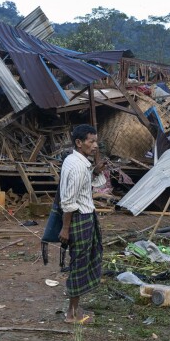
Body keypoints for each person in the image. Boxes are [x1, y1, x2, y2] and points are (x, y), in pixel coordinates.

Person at [58, 124, 106, 324]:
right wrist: (65, 229)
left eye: (96, 141)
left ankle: (74, 309)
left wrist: (95, 171)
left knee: (80, 262)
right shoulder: (78, 167)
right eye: (91, 141)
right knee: (79, 264)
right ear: (79, 143)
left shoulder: (74, 160)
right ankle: (71, 314)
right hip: (80, 219)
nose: (95, 145)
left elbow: (85, 186)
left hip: (83, 216)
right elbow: (69, 202)